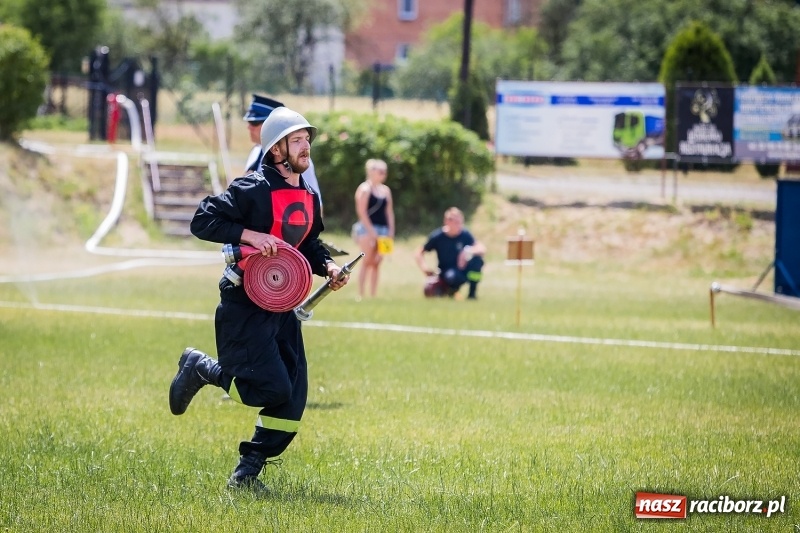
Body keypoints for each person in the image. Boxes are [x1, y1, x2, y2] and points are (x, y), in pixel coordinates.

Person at [169, 107, 349, 493]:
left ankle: (247, 472)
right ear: (276, 148)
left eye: (307, 140)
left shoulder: (308, 194)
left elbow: (310, 244)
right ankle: (202, 369)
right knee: (267, 389)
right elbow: (202, 220)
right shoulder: (252, 188)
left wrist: (330, 267)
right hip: (244, 304)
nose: (306, 148)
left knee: (292, 398)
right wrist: (250, 235)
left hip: (284, 306)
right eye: (297, 141)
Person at [243, 94, 322, 200]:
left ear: (269, 126)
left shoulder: (296, 161)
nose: (249, 127)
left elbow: (314, 203)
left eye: (254, 123)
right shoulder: (255, 152)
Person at [414, 207, 485, 300]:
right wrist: (425, 268)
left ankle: (472, 294)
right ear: (447, 221)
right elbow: (419, 252)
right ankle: (451, 291)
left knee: (478, 261)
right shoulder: (438, 236)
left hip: (463, 269)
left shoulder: (465, 235)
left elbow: (482, 248)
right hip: (447, 272)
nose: (458, 225)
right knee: (452, 277)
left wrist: (467, 251)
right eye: (455, 222)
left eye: (460, 222)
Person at [353, 158, 395, 299]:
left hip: (383, 230)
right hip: (367, 229)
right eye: (380, 171)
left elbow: (389, 212)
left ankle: (373, 294)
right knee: (367, 260)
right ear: (371, 172)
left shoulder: (386, 190)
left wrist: (391, 231)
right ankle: (361, 293)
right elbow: (362, 211)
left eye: (385, 172)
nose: (383, 174)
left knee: (377, 262)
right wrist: (371, 232)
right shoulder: (364, 189)